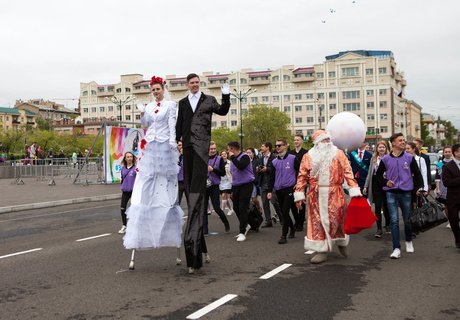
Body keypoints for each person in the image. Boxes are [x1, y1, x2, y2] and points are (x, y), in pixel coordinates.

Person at [123, 75, 184, 260]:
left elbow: (172, 124)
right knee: (147, 179)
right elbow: (145, 125)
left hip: (164, 144)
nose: (156, 92)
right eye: (153, 90)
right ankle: (145, 210)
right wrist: (142, 113)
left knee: (166, 180)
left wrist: (173, 142)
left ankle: (166, 209)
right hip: (151, 145)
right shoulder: (150, 106)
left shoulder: (171, 105)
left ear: (163, 89)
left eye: (158, 89)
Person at [176, 73, 230, 273]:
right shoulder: (182, 102)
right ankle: (197, 247)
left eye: (197, 82)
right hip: (188, 149)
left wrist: (226, 95)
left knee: (196, 193)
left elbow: (223, 111)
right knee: (192, 193)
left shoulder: (209, 100)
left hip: (201, 148)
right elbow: (179, 124)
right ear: (187, 85)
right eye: (192, 83)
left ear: (200, 84)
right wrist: (176, 140)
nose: (195, 85)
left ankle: (194, 250)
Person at [294, 130, 361, 264]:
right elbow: (302, 176)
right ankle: (322, 250)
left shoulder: (338, 153)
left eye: (328, 139)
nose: (327, 142)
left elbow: (348, 171)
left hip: (335, 192)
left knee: (337, 219)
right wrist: (299, 194)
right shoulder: (309, 156)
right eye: (324, 140)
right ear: (317, 143)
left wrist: (354, 189)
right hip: (315, 194)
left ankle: (341, 242)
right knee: (318, 223)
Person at [376, 133, 424, 259]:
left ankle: (408, 240)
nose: (403, 142)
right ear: (394, 143)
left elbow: (417, 174)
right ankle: (396, 248)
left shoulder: (409, 158)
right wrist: (386, 182)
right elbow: (378, 175)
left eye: (404, 140)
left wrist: (419, 188)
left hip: (406, 193)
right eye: (400, 140)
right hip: (391, 192)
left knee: (407, 220)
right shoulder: (385, 159)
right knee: (394, 221)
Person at [268, 138, 300, 244]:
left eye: (279, 145)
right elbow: (271, 177)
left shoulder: (292, 158)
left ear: (285, 146)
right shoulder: (274, 161)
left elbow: (300, 172)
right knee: (283, 212)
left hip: (289, 188)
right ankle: (292, 227)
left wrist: (298, 184)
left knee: (285, 211)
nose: (277, 147)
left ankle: (283, 235)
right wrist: (269, 190)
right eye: (276, 146)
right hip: (278, 189)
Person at [228, 141, 255, 242]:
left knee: (242, 207)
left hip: (246, 184)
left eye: (229, 149)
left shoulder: (245, 156)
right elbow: (233, 174)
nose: (228, 151)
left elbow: (241, 166)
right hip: (236, 185)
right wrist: (232, 188)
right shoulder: (232, 160)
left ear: (233, 149)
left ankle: (242, 232)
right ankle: (246, 224)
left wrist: (233, 158)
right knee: (236, 207)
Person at [363, 140, 390, 238]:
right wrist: (366, 186)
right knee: (377, 206)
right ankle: (379, 229)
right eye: (380, 147)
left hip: (387, 182)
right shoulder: (373, 159)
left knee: (387, 206)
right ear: (377, 149)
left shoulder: (390, 158)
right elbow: (369, 174)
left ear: (386, 148)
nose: (381, 149)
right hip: (375, 183)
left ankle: (388, 225)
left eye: (383, 147)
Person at [203, 142, 230, 234]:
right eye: (211, 149)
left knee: (217, 208)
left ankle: (225, 222)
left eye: (214, 148)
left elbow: (223, 173)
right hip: (204, 186)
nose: (213, 150)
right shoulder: (203, 158)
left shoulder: (219, 159)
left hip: (214, 186)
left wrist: (213, 169)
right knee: (203, 209)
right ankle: (205, 230)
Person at [257, 142, 282, 227]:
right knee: (264, 203)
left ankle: (282, 218)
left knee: (274, 201)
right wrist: (258, 169)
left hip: (273, 183)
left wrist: (267, 169)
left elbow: (277, 169)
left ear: (267, 147)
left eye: (262, 146)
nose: (261, 147)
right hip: (263, 182)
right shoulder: (260, 158)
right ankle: (268, 221)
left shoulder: (274, 157)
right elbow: (259, 167)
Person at [441, 144, 460, 249]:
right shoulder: (447, 166)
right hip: (453, 198)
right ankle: (458, 239)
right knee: (454, 220)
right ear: (456, 153)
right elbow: (447, 182)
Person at [289, 134, 308, 231]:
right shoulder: (290, 153)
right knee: (292, 202)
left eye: (298, 140)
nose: (296, 141)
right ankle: (296, 220)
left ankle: (300, 222)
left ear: (302, 141)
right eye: (294, 140)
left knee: (301, 201)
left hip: (302, 181)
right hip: (292, 180)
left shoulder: (306, 153)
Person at [118, 151, 137, 234]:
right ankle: (124, 225)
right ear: (125, 159)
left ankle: (135, 226)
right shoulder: (123, 169)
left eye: (131, 157)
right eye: (128, 157)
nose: (129, 158)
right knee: (122, 208)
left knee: (134, 209)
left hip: (134, 192)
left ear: (133, 158)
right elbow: (122, 178)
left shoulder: (136, 168)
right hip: (125, 191)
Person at [435, 146, 453, 227]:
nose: (448, 153)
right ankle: (450, 221)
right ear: (443, 153)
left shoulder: (456, 162)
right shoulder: (440, 163)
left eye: (449, 151)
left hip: (455, 186)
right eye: (446, 152)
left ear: (452, 152)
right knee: (447, 205)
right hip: (444, 187)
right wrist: (438, 188)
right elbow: (437, 177)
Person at [246, 147, 263, 214]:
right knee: (251, 199)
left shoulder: (257, 161)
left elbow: (259, 170)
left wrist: (258, 169)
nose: (248, 154)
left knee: (254, 198)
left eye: (249, 152)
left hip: (256, 182)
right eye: (247, 153)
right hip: (248, 182)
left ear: (253, 153)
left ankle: (259, 207)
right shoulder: (246, 162)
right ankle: (255, 211)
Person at [219, 150, 234, 216]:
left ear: (227, 155)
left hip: (228, 180)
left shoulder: (230, 163)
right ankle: (230, 209)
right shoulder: (219, 162)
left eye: (225, 154)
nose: (224, 155)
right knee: (226, 197)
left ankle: (222, 211)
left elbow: (232, 172)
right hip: (221, 181)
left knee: (224, 195)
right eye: (222, 154)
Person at [177, 141, 186, 205]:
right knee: (177, 202)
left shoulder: (187, 156)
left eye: (182, 145)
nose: (181, 147)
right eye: (179, 145)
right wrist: (181, 155)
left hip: (187, 182)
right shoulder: (175, 156)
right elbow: (177, 165)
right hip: (178, 182)